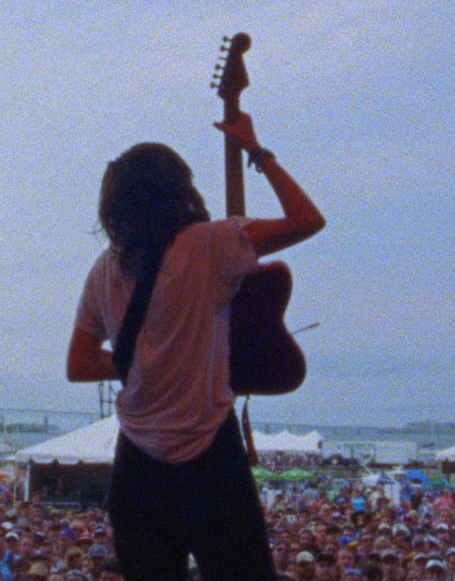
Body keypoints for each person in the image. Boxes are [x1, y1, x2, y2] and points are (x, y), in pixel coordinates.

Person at [67, 111, 325, 580]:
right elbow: (307, 219)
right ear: (178, 190)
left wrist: (146, 362)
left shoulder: (104, 269)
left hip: (137, 468)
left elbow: (80, 364)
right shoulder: (209, 244)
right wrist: (255, 149)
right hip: (210, 456)